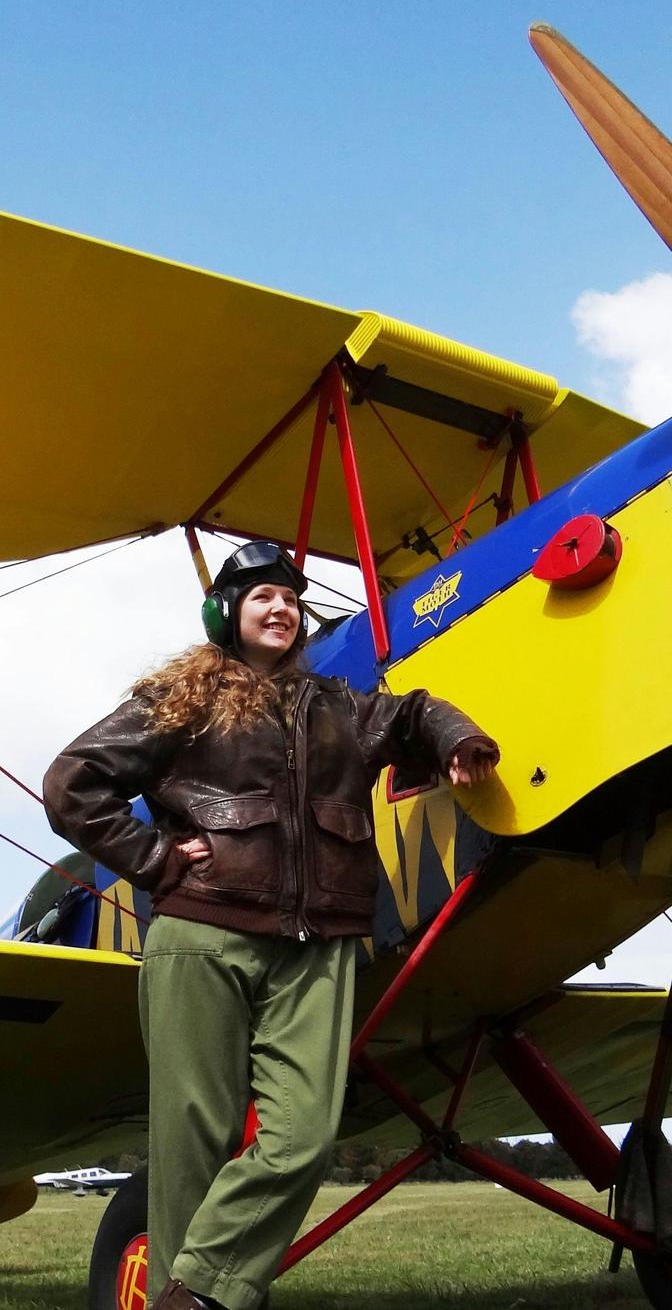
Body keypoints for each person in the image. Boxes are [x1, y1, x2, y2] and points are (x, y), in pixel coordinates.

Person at [43, 541, 499, 1310]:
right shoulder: (180, 699)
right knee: (195, 1138)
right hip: (202, 934)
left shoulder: (340, 710)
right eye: (260, 596)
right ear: (225, 614)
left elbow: (414, 711)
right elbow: (70, 783)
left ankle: (191, 1293)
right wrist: (153, 857)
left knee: (303, 1137)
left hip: (316, 946)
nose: (280, 606)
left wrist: (458, 739)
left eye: (290, 596)